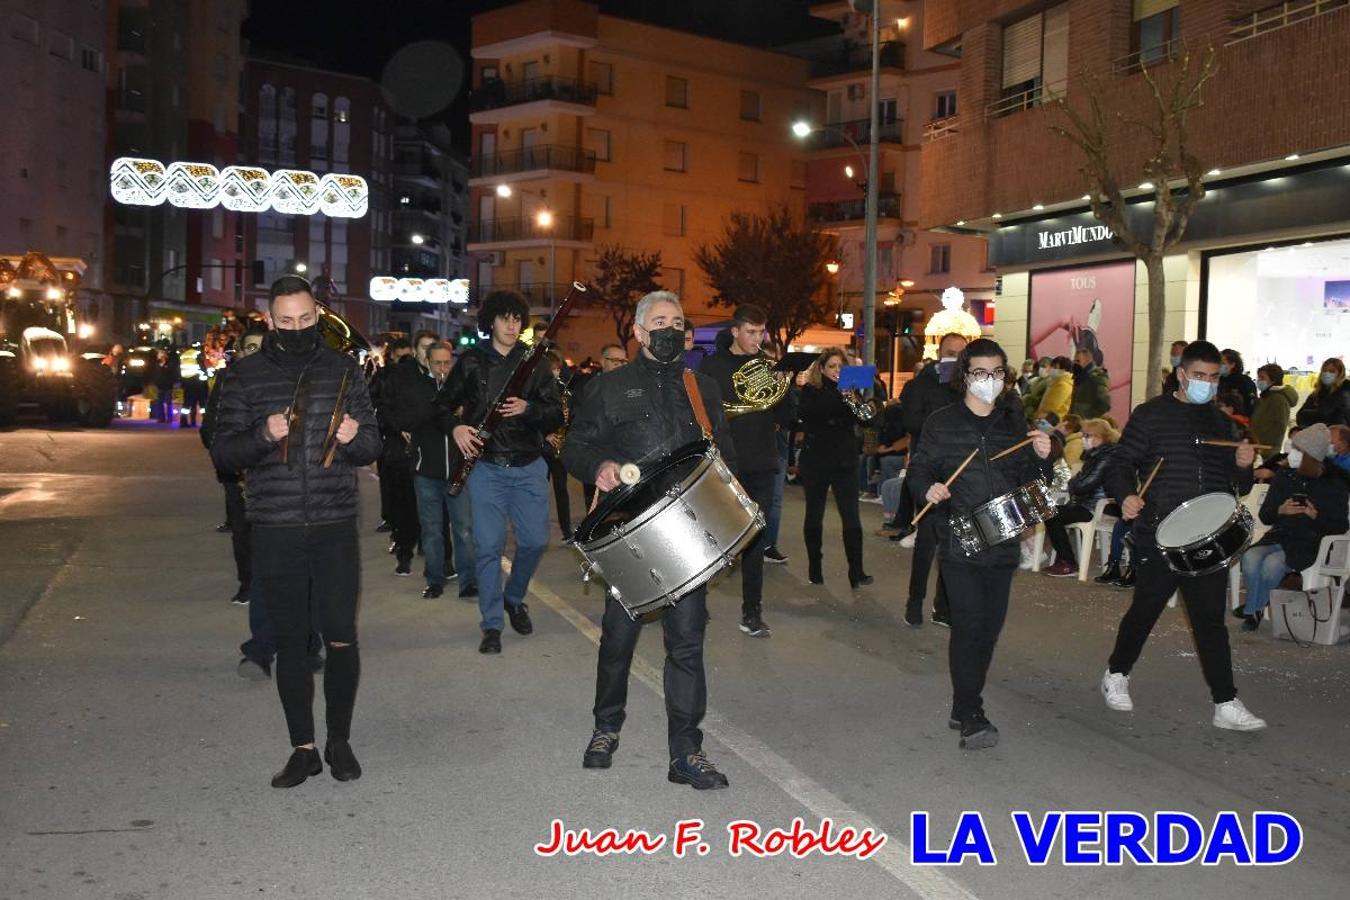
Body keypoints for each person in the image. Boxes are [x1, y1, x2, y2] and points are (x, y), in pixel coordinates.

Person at [210, 275, 382, 787]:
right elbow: (223, 454)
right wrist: (264, 433)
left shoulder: (343, 369)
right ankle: (303, 748)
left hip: (333, 524)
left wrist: (355, 440)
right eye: (286, 322)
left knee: (341, 637)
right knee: (289, 643)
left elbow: (373, 444)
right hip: (276, 526)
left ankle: (339, 742)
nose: (297, 328)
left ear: (318, 315)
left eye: (306, 320)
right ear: (269, 321)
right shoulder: (243, 376)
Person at [562, 290, 734, 789]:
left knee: (686, 643)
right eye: (658, 321)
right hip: (628, 531)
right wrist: (600, 466)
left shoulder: (701, 387)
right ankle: (606, 725)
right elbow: (574, 446)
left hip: (687, 532)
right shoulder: (607, 388)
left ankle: (686, 751)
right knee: (618, 639)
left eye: (677, 321)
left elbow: (723, 455)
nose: (669, 329)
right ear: (638, 332)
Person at [1100, 340, 1266, 732]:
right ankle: (1117, 674)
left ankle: (1225, 702)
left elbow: (1237, 487)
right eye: (1199, 376)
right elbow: (1120, 464)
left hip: (1206, 536)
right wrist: (1126, 496)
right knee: (1146, 609)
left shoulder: (1222, 423)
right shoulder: (1151, 416)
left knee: (1210, 620)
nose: (1206, 384)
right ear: (1181, 374)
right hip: (1158, 531)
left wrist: (1244, 466)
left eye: (1213, 377)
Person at [906, 338, 1053, 750]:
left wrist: (1043, 454)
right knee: (968, 625)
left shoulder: (1012, 422)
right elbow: (919, 471)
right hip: (959, 538)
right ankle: (972, 713)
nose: (989, 380)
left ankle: (962, 700)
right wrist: (928, 489)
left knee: (988, 630)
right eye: (980, 373)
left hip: (1004, 539)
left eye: (997, 373)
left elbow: (1034, 482)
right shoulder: (941, 422)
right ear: (964, 376)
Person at [439, 290, 562, 655]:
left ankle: (514, 597)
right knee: (488, 547)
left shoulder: (535, 364)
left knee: (536, 540)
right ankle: (491, 624)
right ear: (490, 321)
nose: (511, 324)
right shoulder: (472, 362)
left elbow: (555, 413)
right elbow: (442, 405)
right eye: (504, 318)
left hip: (528, 466)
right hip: (486, 469)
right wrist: (456, 428)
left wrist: (528, 408)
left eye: (516, 319)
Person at [699, 303, 797, 637]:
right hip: (724, 462)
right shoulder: (712, 366)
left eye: (761, 332)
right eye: (751, 332)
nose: (757, 339)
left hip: (762, 462)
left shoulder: (768, 365)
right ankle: (695, 605)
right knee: (711, 536)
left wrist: (786, 386)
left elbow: (787, 419)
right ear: (736, 331)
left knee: (755, 537)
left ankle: (751, 612)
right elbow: (703, 415)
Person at [388, 340, 478, 600]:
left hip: (458, 470)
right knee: (431, 530)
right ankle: (434, 580)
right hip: (426, 469)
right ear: (427, 362)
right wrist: (436, 408)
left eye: (447, 363)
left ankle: (467, 582)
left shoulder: (463, 388)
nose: (442, 368)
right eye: (437, 362)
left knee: (464, 529)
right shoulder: (415, 387)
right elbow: (403, 419)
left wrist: (463, 413)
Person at [1237, 423, 1348, 631]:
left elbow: (1340, 525)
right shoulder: (1285, 476)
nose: (1292, 454)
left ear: (1312, 455)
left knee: (1272, 565)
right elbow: (1266, 516)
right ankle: (1257, 607)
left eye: (1299, 450)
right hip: (1279, 535)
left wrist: (1316, 516)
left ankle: (1252, 612)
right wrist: (1281, 510)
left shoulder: (1335, 483)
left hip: (1310, 541)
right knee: (1250, 558)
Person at [897, 332, 968, 627]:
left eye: (961, 354)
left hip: (960, 471)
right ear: (940, 354)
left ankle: (944, 606)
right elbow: (909, 422)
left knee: (954, 543)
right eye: (950, 352)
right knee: (927, 542)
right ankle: (915, 601)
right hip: (929, 469)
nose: (955, 358)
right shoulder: (920, 385)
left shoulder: (968, 386)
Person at [202, 324, 267, 604]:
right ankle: (248, 583)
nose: (257, 354)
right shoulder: (227, 380)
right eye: (251, 348)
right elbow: (211, 428)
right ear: (239, 352)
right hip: (238, 473)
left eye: (263, 349)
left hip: (272, 471)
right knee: (242, 531)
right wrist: (230, 456)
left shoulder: (281, 382)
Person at [798, 347, 872, 589]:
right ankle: (814, 568)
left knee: (851, 516)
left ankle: (857, 570)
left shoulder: (850, 391)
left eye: (841, 366)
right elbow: (814, 413)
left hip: (844, 461)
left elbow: (865, 419)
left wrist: (855, 398)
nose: (837, 371)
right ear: (821, 368)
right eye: (832, 366)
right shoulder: (811, 391)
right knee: (814, 515)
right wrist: (843, 396)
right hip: (816, 461)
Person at [1042, 418, 1121, 577]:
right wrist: (1075, 483)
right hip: (1086, 503)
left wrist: (1074, 484)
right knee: (1049, 510)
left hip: (1097, 507)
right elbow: (1079, 481)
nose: (1083, 439)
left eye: (1087, 435)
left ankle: (1068, 562)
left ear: (1099, 437)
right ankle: (1064, 559)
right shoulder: (1094, 455)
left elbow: (1084, 484)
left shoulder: (1106, 457)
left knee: (1052, 514)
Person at [374, 338, 421, 576]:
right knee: (402, 504)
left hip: (424, 452)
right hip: (398, 450)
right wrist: (398, 428)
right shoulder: (390, 377)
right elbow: (382, 407)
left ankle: (429, 551)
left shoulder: (432, 377)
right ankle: (404, 553)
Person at [574, 344, 628, 512]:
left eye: (624, 361)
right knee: (594, 506)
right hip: (595, 455)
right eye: (615, 361)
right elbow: (578, 419)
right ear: (602, 361)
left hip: (623, 456)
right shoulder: (588, 386)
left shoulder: (631, 388)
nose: (620, 365)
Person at [542, 349, 574, 540]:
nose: (555, 373)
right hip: (542, 447)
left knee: (562, 490)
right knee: (540, 492)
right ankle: (538, 529)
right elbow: (530, 417)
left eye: (557, 369)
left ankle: (566, 530)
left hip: (559, 446)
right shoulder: (537, 390)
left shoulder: (563, 389)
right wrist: (545, 434)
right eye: (552, 369)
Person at [1250, 364, 1297, 458]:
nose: (1259, 381)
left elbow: (1279, 426)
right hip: (1259, 446)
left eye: (1262, 378)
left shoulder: (1278, 399)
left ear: (1273, 380)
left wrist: (1262, 444)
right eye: (1258, 377)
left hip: (1267, 449)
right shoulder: (1266, 397)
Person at [1295, 357, 1350, 428]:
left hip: (1338, 436)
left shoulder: (1345, 392)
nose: (1327, 373)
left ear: (1340, 373)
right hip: (1317, 435)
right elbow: (1299, 417)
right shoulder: (1317, 393)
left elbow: (1325, 414)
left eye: (1332, 371)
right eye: (1324, 370)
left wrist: (1309, 414)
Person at [1070, 348, 1111, 419]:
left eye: (1078, 361)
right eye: (1074, 361)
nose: (1075, 363)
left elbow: (1104, 404)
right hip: (1076, 423)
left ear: (1088, 359)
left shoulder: (1097, 376)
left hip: (1087, 424)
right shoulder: (1079, 376)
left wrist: (1089, 417)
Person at [1219, 349, 1258, 418]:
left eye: (1222, 363)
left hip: (1238, 421)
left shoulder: (1244, 382)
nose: (1219, 366)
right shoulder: (1218, 380)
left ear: (1232, 364)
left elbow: (1250, 407)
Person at [1033, 356, 1073, 423]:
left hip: (1052, 421)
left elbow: (1051, 407)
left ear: (1064, 370)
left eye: (1055, 367)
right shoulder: (1056, 382)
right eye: (1052, 366)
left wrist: (1037, 416)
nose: (1052, 369)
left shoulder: (1063, 385)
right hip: (1045, 419)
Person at [1021, 356, 1054, 421]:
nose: (1041, 369)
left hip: (1039, 416)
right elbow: (1027, 392)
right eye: (1040, 366)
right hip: (1027, 414)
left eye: (1044, 366)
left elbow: (1042, 400)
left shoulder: (1051, 382)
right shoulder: (1036, 380)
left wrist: (1027, 398)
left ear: (1051, 368)